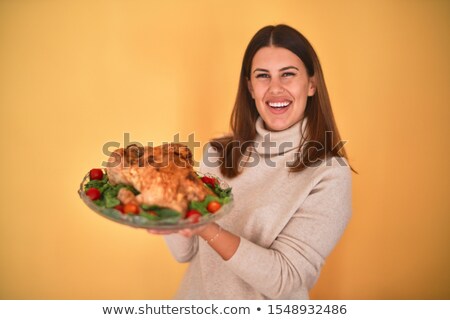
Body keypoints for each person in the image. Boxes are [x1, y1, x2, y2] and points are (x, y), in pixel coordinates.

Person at [156, 24, 352, 299]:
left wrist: (207, 228)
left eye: (288, 75)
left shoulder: (328, 174)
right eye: (263, 76)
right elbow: (184, 252)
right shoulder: (218, 152)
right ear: (250, 86)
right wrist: (164, 188)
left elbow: (283, 281)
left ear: (311, 84)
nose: (275, 89)